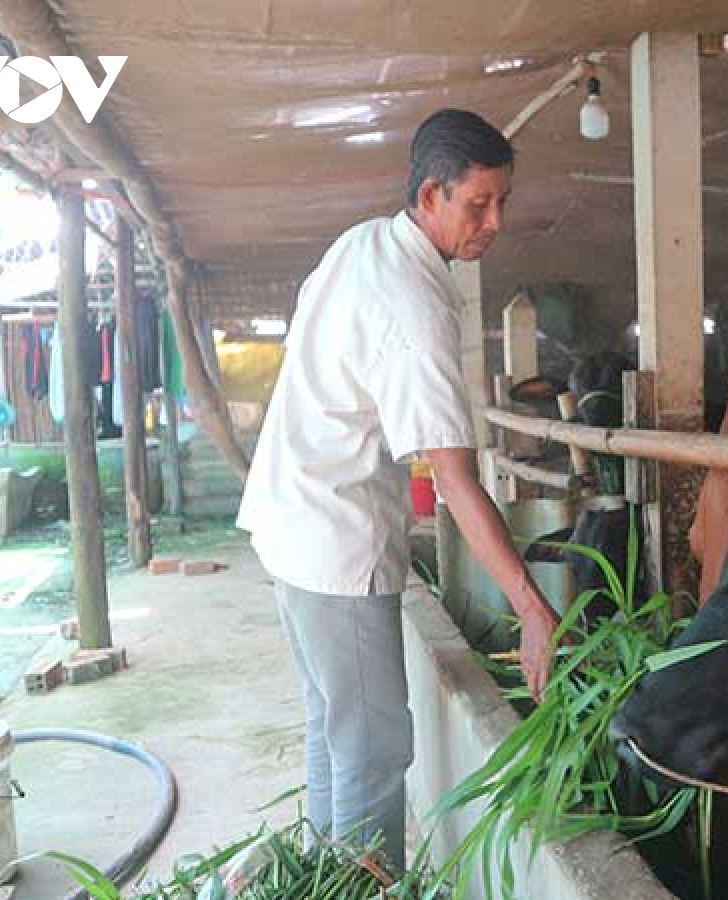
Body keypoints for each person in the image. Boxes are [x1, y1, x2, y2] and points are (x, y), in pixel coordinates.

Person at [236, 108, 561, 871]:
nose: (495, 222)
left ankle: (328, 880)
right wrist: (533, 607)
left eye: (502, 202)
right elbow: (453, 478)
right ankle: (365, 886)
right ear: (429, 198)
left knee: (335, 729)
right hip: (331, 540)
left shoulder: (365, 242)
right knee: (376, 748)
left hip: (290, 520)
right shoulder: (413, 304)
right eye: (477, 204)